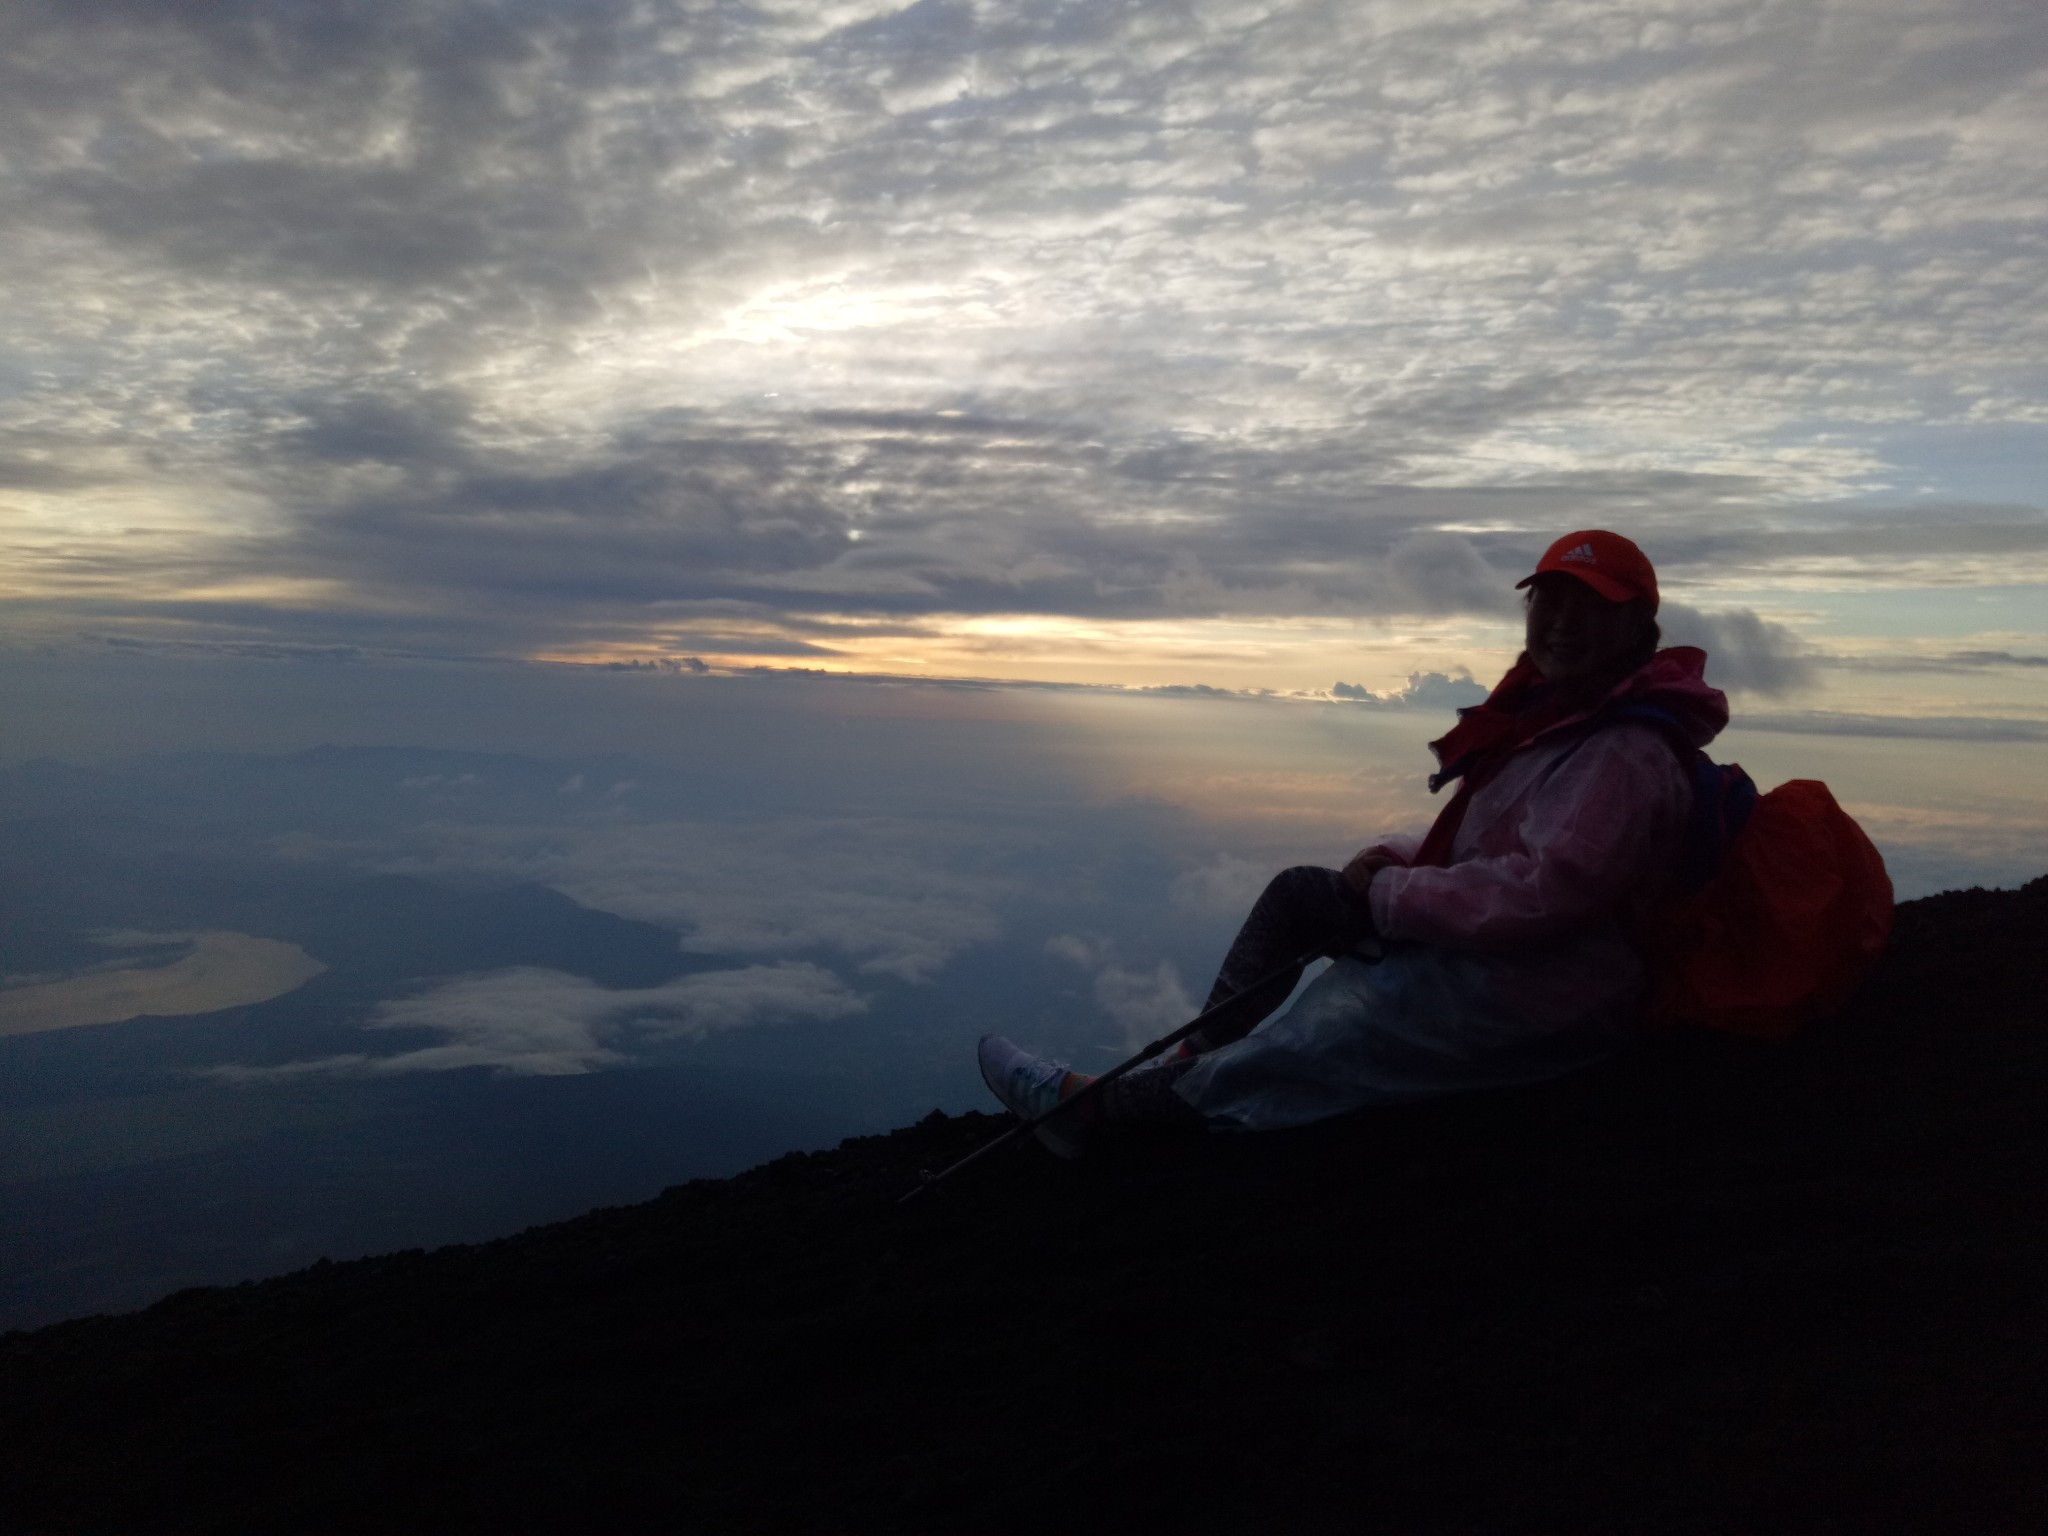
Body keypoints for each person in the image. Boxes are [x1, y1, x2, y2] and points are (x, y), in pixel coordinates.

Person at [978, 529, 1729, 1155]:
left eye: (1589, 606)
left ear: (1639, 629)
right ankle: (1181, 1064)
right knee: (1302, 897)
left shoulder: (1623, 752)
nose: (1562, 621)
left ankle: (1095, 1114)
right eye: (1550, 600)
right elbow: (1495, 838)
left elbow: (1544, 895)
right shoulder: (1565, 718)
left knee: (1323, 1031)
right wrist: (1395, 861)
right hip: (1514, 960)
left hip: (1545, 992)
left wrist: (1397, 894)